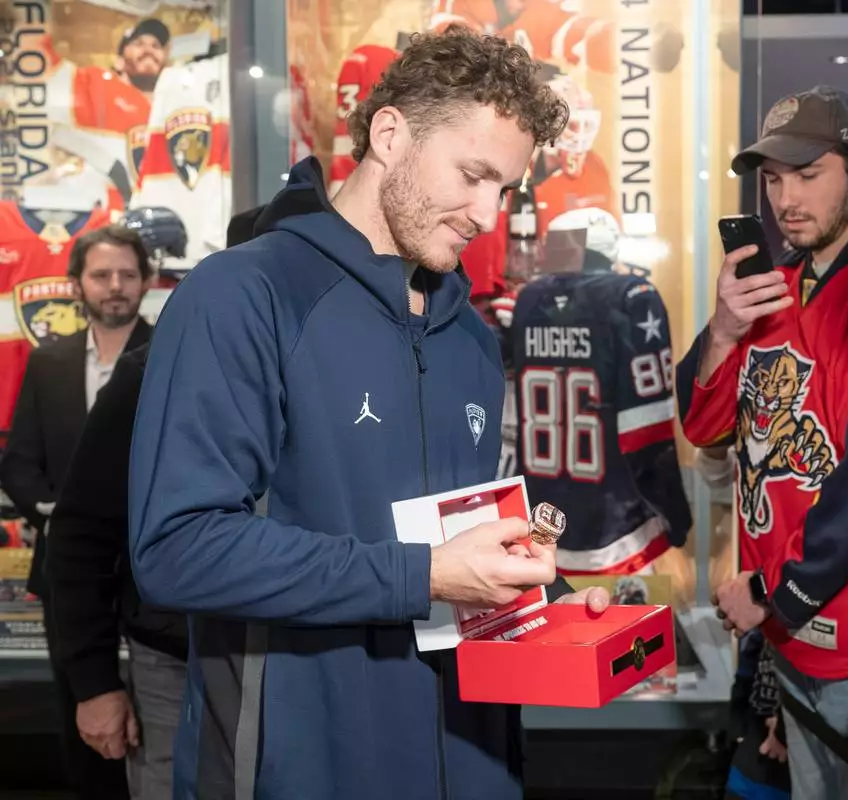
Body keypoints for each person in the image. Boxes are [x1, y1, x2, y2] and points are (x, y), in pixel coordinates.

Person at [127, 27, 607, 799]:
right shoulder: (244, 296)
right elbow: (177, 549)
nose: (490, 212)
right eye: (474, 174)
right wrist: (425, 576)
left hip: (474, 763)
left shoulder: (472, 338)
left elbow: (451, 561)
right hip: (299, 769)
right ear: (390, 134)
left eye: (508, 188)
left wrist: (532, 610)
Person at [676, 85, 848, 798]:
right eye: (772, 179)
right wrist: (725, 332)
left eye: (808, 173)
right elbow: (704, 426)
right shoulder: (776, 284)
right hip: (787, 632)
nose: (785, 198)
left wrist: (776, 589)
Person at [45, 213, 259, 799]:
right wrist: (93, 683)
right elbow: (81, 532)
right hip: (174, 658)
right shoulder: (150, 373)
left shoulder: (331, 369)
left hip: (300, 654)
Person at [0, 223, 153, 798]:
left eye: (127, 275)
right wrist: (59, 515)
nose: (115, 286)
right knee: (83, 713)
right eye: (101, 275)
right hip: (67, 576)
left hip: (150, 573)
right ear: (77, 285)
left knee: (155, 719)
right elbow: (17, 460)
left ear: (145, 283)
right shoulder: (50, 362)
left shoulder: (170, 352)